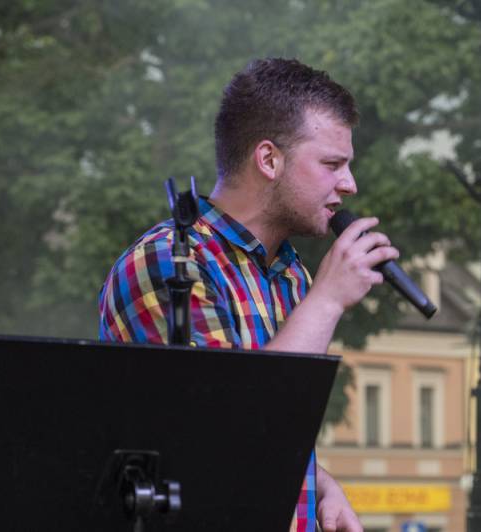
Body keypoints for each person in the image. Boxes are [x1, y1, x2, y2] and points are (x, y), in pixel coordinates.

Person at [99, 58, 399, 532]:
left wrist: (320, 484)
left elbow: (274, 436)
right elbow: (225, 434)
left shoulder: (291, 274)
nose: (349, 184)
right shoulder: (170, 263)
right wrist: (326, 301)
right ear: (268, 159)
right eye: (332, 164)